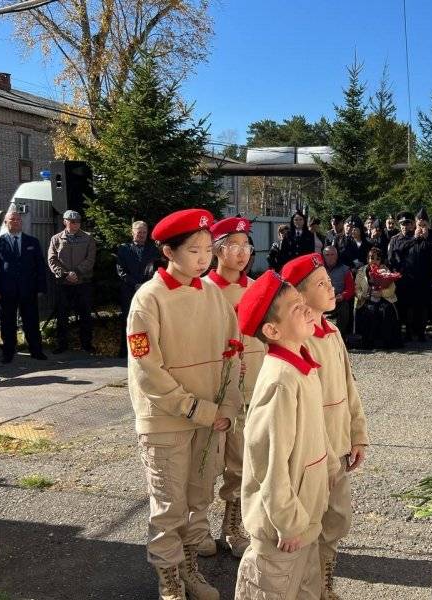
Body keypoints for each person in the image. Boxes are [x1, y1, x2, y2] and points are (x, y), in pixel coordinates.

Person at [127, 208, 240, 600]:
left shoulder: (212, 293)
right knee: (169, 503)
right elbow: (147, 369)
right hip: (167, 421)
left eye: (209, 249)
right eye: (194, 249)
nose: (204, 257)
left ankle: (189, 567)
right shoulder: (148, 299)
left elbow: (233, 351)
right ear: (167, 251)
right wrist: (196, 408)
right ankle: (169, 578)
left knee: (197, 498)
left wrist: (226, 405)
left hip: (210, 420)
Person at [234, 271, 339, 600]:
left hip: (306, 520)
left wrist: (330, 468)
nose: (308, 308)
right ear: (272, 330)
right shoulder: (280, 379)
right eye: (296, 307)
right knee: (273, 589)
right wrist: (288, 520)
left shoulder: (301, 366)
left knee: (303, 589)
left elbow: (313, 436)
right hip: (284, 529)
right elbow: (268, 459)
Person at [280, 253, 369, 599]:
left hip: (339, 448)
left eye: (328, 281)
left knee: (337, 520)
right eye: (321, 284)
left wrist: (357, 435)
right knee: (310, 521)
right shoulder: (297, 341)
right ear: (299, 296)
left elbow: (349, 388)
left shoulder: (331, 331)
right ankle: (307, 587)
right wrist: (330, 454)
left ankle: (323, 579)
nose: (331, 288)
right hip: (313, 454)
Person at [205, 216, 266, 559]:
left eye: (247, 246)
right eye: (234, 246)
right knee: (204, 465)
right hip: (212, 394)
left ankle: (233, 525)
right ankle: (196, 529)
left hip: (252, 391)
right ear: (217, 250)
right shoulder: (203, 291)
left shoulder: (257, 288)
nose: (243, 253)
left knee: (243, 463)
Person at [0, 211, 47, 363]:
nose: (16, 222)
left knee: (32, 321)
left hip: (28, 290)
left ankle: (36, 350)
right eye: (12, 219)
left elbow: (40, 266)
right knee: (7, 323)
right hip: (6, 291)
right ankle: (8, 352)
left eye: (18, 219)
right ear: (6, 222)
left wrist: (41, 287)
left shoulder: (32, 242)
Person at [48, 210, 97, 353]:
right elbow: (52, 260)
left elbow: (90, 259)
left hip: (83, 283)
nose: (75, 224)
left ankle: (86, 345)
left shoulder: (88, 238)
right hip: (64, 284)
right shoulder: (56, 239)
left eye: (78, 222)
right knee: (62, 316)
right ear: (65, 222)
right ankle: (62, 345)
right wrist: (64, 274)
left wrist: (77, 273)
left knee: (85, 316)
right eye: (72, 221)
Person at [116, 221, 159, 358]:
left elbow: (157, 269)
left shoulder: (153, 249)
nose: (141, 235)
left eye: (144, 232)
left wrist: (145, 285)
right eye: (138, 232)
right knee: (129, 320)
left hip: (148, 291)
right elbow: (120, 270)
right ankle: (126, 351)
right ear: (132, 232)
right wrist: (135, 284)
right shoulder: (124, 249)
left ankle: (142, 352)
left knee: (146, 321)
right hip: (129, 290)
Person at [388, 211, 432, 342]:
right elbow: (392, 258)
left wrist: (424, 238)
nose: (404, 226)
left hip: (420, 279)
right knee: (404, 307)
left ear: (413, 224)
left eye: (407, 223)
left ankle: (420, 332)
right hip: (403, 279)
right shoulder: (395, 239)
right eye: (402, 224)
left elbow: (429, 254)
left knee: (420, 307)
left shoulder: (421, 236)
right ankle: (406, 332)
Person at [354, 247, 401, 350]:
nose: (374, 261)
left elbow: (392, 288)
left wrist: (381, 293)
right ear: (368, 259)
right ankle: (368, 341)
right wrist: (362, 295)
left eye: (377, 258)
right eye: (372, 258)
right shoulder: (361, 271)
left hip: (384, 298)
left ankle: (386, 341)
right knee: (369, 311)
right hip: (367, 299)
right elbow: (356, 288)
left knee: (385, 310)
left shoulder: (385, 270)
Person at [322, 245, 354, 339]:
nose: (330, 257)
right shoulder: (318, 269)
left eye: (332, 254)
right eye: (327, 255)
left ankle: (339, 336)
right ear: (323, 256)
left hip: (338, 300)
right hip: (321, 300)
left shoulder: (345, 270)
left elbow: (351, 289)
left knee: (345, 307)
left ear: (336, 255)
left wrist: (342, 296)